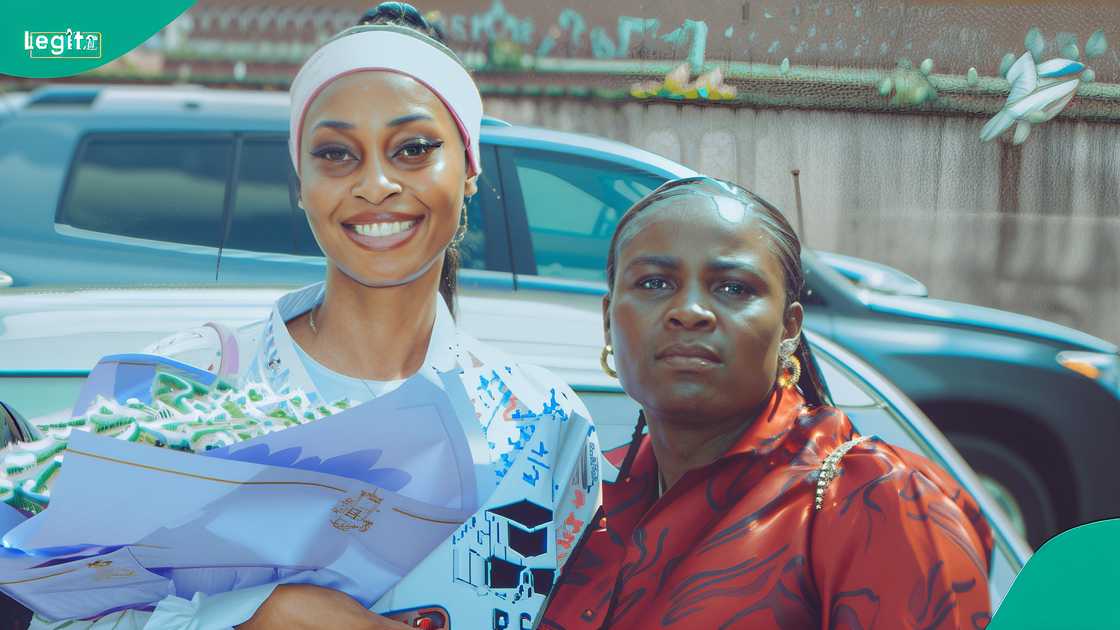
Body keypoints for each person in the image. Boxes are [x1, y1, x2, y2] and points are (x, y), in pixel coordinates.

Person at [25, 4, 599, 629]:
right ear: (300, 182)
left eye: (413, 149)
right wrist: (255, 617)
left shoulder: (542, 420)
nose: (376, 183)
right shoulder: (186, 388)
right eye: (336, 153)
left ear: (469, 169)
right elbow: (62, 615)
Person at [539, 176, 994, 629]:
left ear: (789, 327)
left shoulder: (876, 501)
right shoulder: (575, 503)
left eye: (733, 288)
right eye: (655, 283)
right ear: (608, 321)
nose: (689, 311)